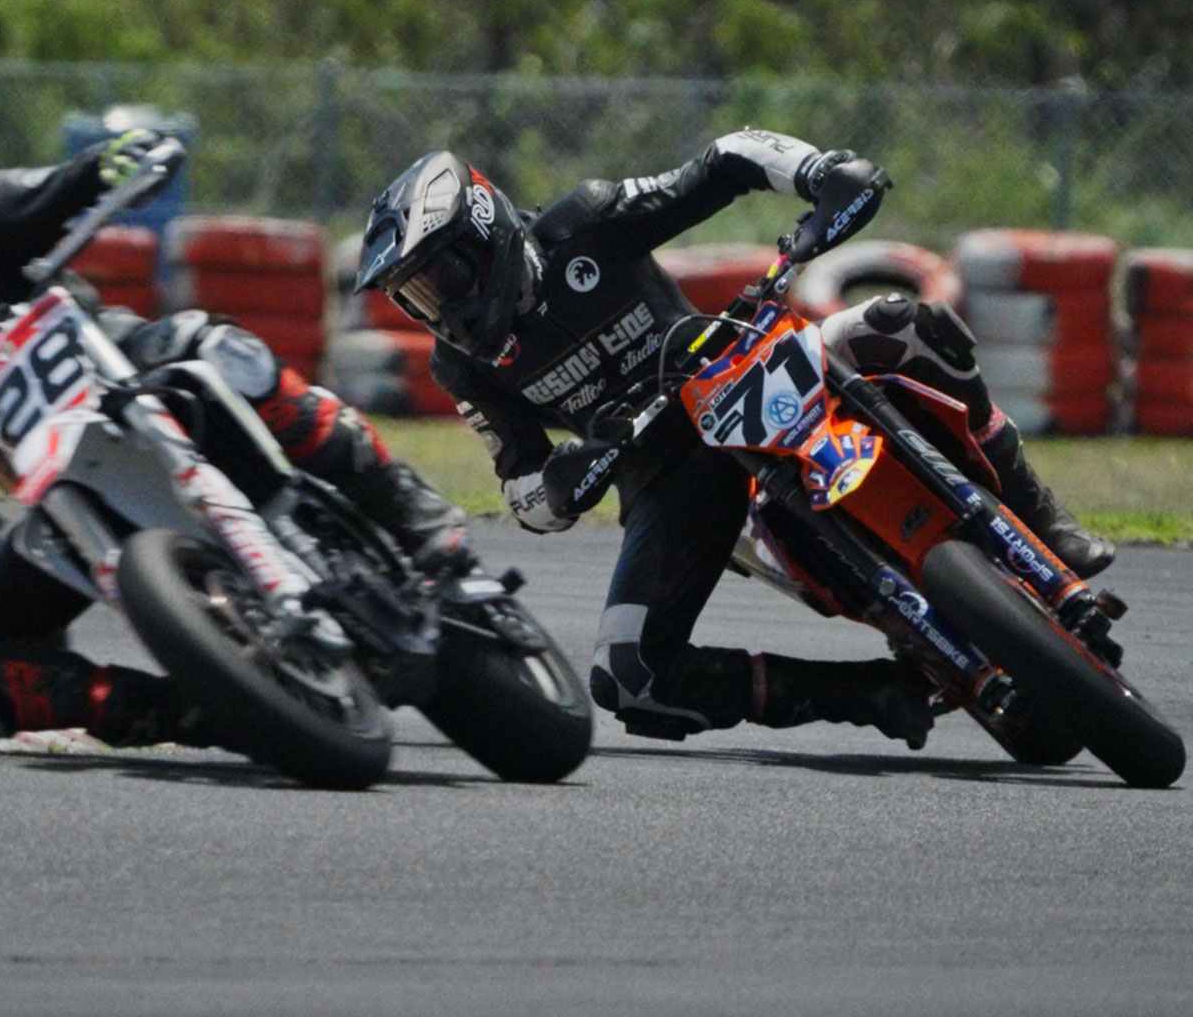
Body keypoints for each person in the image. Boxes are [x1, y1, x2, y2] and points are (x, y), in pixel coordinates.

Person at [352, 133, 1115, 748]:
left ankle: (1044, 522)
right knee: (629, 677)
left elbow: (724, 162)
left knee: (904, 326)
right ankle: (864, 695)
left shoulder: (586, 223)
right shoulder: (463, 366)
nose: (437, 306)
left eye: (439, 278)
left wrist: (820, 172)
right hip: (666, 478)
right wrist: (566, 480)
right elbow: (522, 493)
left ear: (484, 237)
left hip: (748, 367)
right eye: (416, 296)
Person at [0, 130, 474, 749]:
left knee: (220, 350)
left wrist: (121, 159)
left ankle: (419, 523)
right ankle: (195, 708)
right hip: (59, 492)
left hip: (116, 370)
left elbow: (59, 185)